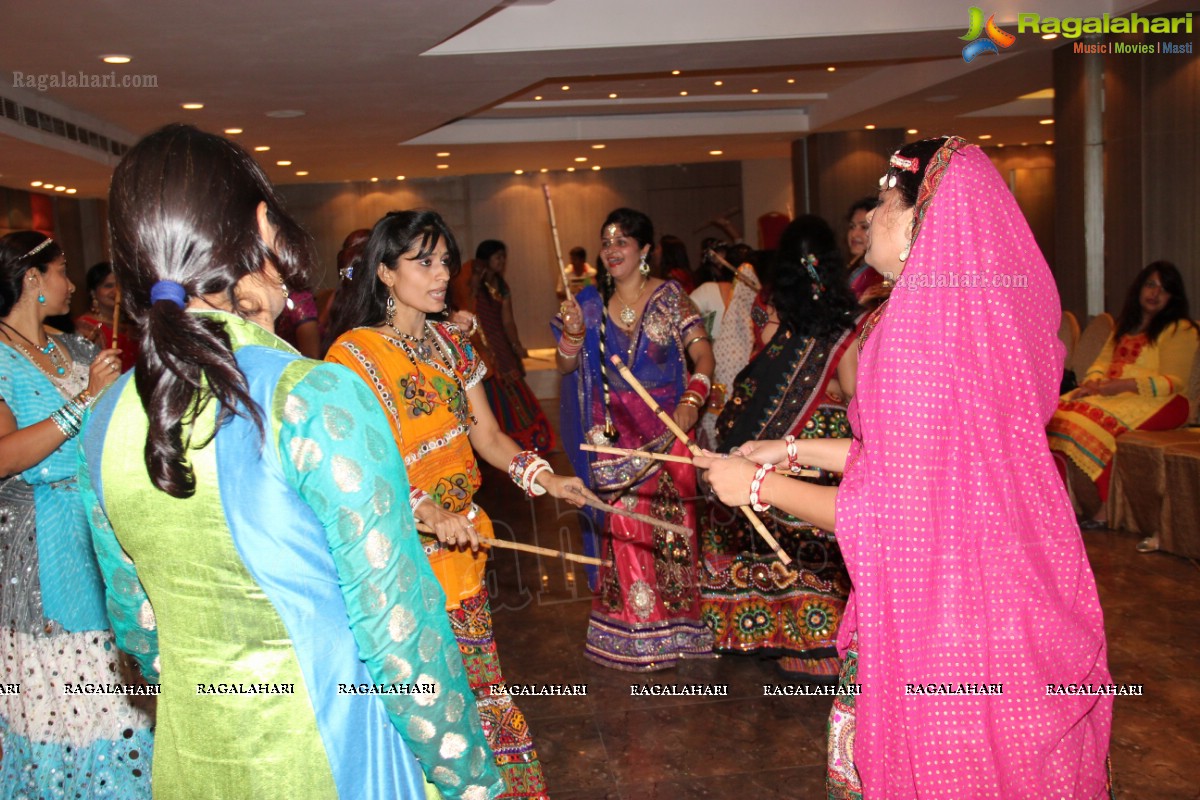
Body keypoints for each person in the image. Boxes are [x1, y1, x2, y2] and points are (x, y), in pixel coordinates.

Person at [81, 124, 504, 799]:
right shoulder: (310, 398)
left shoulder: (106, 420)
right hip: (338, 752)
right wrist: (472, 779)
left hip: (197, 758)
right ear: (262, 226)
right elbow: (401, 636)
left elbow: (142, 631)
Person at [698, 137, 1113, 798]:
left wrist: (755, 486)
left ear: (926, 221)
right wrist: (794, 451)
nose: (872, 215)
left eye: (890, 199)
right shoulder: (963, 323)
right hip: (1006, 593)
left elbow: (893, 514)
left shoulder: (920, 341)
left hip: (952, 621)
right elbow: (917, 461)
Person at [326, 210, 592, 799]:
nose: (442, 272)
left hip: (463, 554)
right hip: (402, 561)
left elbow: (489, 437)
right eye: (424, 261)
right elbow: (368, 467)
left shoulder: (451, 343)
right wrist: (428, 513)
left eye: (445, 259)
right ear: (386, 273)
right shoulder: (354, 358)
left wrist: (548, 479)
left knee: (479, 690)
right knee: (427, 705)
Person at [0, 231, 151, 797]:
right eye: (62, 270)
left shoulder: (79, 347)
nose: (70, 282)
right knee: (71, 688)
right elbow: (5, 456)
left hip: (100, 525)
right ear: (31, 278)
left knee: (122, 686)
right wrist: (85, 402)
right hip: (41, 541)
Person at [699, 215, 862, 684]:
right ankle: (815, 638)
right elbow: (850, 390)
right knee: (811, 527)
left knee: (757, 519)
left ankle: (749, 630)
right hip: (817, 441)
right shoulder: (845, 324)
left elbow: (760, 374)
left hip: (767, 437)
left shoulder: (773, 317)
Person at [555, 207, 716, 671]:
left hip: (669, 435)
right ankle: (635, 634)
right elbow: (567, 369)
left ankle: (681, 630)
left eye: (623, 241)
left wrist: (693, 399)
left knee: (673, 537)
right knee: (626, 535)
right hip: (614, 438)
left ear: (645, 250)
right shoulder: (588, 305)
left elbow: (702, 354)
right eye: (607, 242)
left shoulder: (670, 298)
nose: (612, 250)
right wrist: (570, 336)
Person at [1049, 261, 1197, 548]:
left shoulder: (1180, 329)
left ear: (1173, 297)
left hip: (1162, 401)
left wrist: (1123, 386)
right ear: (1139, 288)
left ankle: (1104, 511)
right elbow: (1102, 363)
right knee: (1055, 413)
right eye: (1150, 285)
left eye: (1164, 289)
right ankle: (1057, 505)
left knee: (1085, 422)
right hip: (1115, 394)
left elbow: (1174, 381)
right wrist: (1092, 383)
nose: (1155, 293)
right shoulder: (1125, 326)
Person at [470, 239, 554, 452]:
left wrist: (516, 344)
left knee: (513, 387)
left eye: (503, 257)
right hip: (479, 346)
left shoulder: (501, 286)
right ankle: (492, 444)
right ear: (485, 259)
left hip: (500, 343)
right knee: (487, 393)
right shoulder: (472, 283)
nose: (502, 261)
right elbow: (466, 305)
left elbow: (507, 320)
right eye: (498, 257)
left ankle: (526, 442)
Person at [75, 260, 140, 370]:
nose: (116, 291)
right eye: (108, 286)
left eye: (120, 285)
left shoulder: (132, 324)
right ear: (93, 292)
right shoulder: (85, 327)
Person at [844, 196, 886, 303]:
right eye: (852, 227)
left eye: (864, 227)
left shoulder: (881, 276)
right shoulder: (855, 267)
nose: (854, 234)